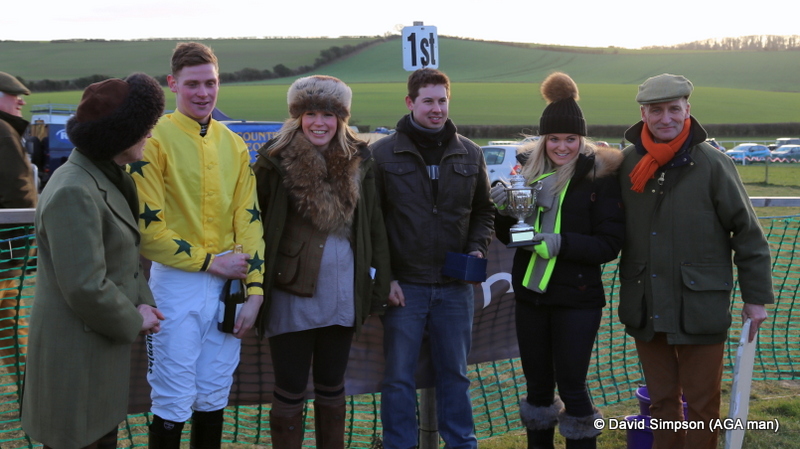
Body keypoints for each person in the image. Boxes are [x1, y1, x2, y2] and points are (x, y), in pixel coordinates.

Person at [617, 73, 774, 449]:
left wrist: (755, 299)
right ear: (643, 113)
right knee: (661, 404)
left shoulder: (714, 164)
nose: (665, 118)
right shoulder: (624, 164)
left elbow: (749, 235)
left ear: (688, 109)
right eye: (656, 110)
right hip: (646, 304)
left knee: (703, 407)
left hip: (700, 305)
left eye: (674, 109)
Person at [131, 42, 265, 449]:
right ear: (173, 84)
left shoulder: (235, 144)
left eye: (210, 83)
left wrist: (256, 291)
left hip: (230, 285)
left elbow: (249, 218)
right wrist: (211, 263)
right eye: (193, 84)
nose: (203, 93)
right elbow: (148, 231)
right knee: (172, 396)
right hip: (177, 283)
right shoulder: (154, 141)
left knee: (213, 392)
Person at [21, 73, 166, 449]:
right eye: (144, 128)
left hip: (95, 357)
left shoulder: (103, 177)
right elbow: (85, 285)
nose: (150, 135)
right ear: (119, 136)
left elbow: (122, 259)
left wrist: (143, 301)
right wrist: (137, 317)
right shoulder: (74, 189)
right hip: (75, 363)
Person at [252, 75, 392, 449]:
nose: (319, 122)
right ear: (297, 116)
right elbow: (252, 224)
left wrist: (381, 284)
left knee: (333, 386)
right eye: (310, 112)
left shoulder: (360, 159)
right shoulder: (273, 159)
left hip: (344, 290)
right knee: (290, 389)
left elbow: (374, 225)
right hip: (289, 290)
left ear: (341, 118)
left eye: (328, 114)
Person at [492, 72, 624, 449]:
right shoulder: (528, 173)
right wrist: (503, 214)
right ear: (543, 139)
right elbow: (512, 237)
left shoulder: (600, 177)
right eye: (554, 138)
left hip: (577, 299)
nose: (562, 146)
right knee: (536, 390)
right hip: (531, 298)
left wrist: (558, 243)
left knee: (573, 387)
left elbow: (609, 244)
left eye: (570, 138)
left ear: (581, 139)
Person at [371, 68, 494, 449]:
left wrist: (477, 248)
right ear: (410, 103)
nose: (437, 108)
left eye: (442, 100)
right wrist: (385, 277)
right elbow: (371, 223)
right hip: (403, 288)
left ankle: (461, 443)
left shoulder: (470, 153)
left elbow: (484, 211)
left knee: (455, 375)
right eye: (428, 100)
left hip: (454, 286)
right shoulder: (381, 154)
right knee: (398, 378)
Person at [0, 72, 36, 374]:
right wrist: (27, 235)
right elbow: (18, 190)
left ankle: (29, 392)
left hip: (7, 246)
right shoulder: (2, 130)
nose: (20, 100)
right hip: (7, 244)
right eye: (13, 94)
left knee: (9, 319)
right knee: (9, 320)